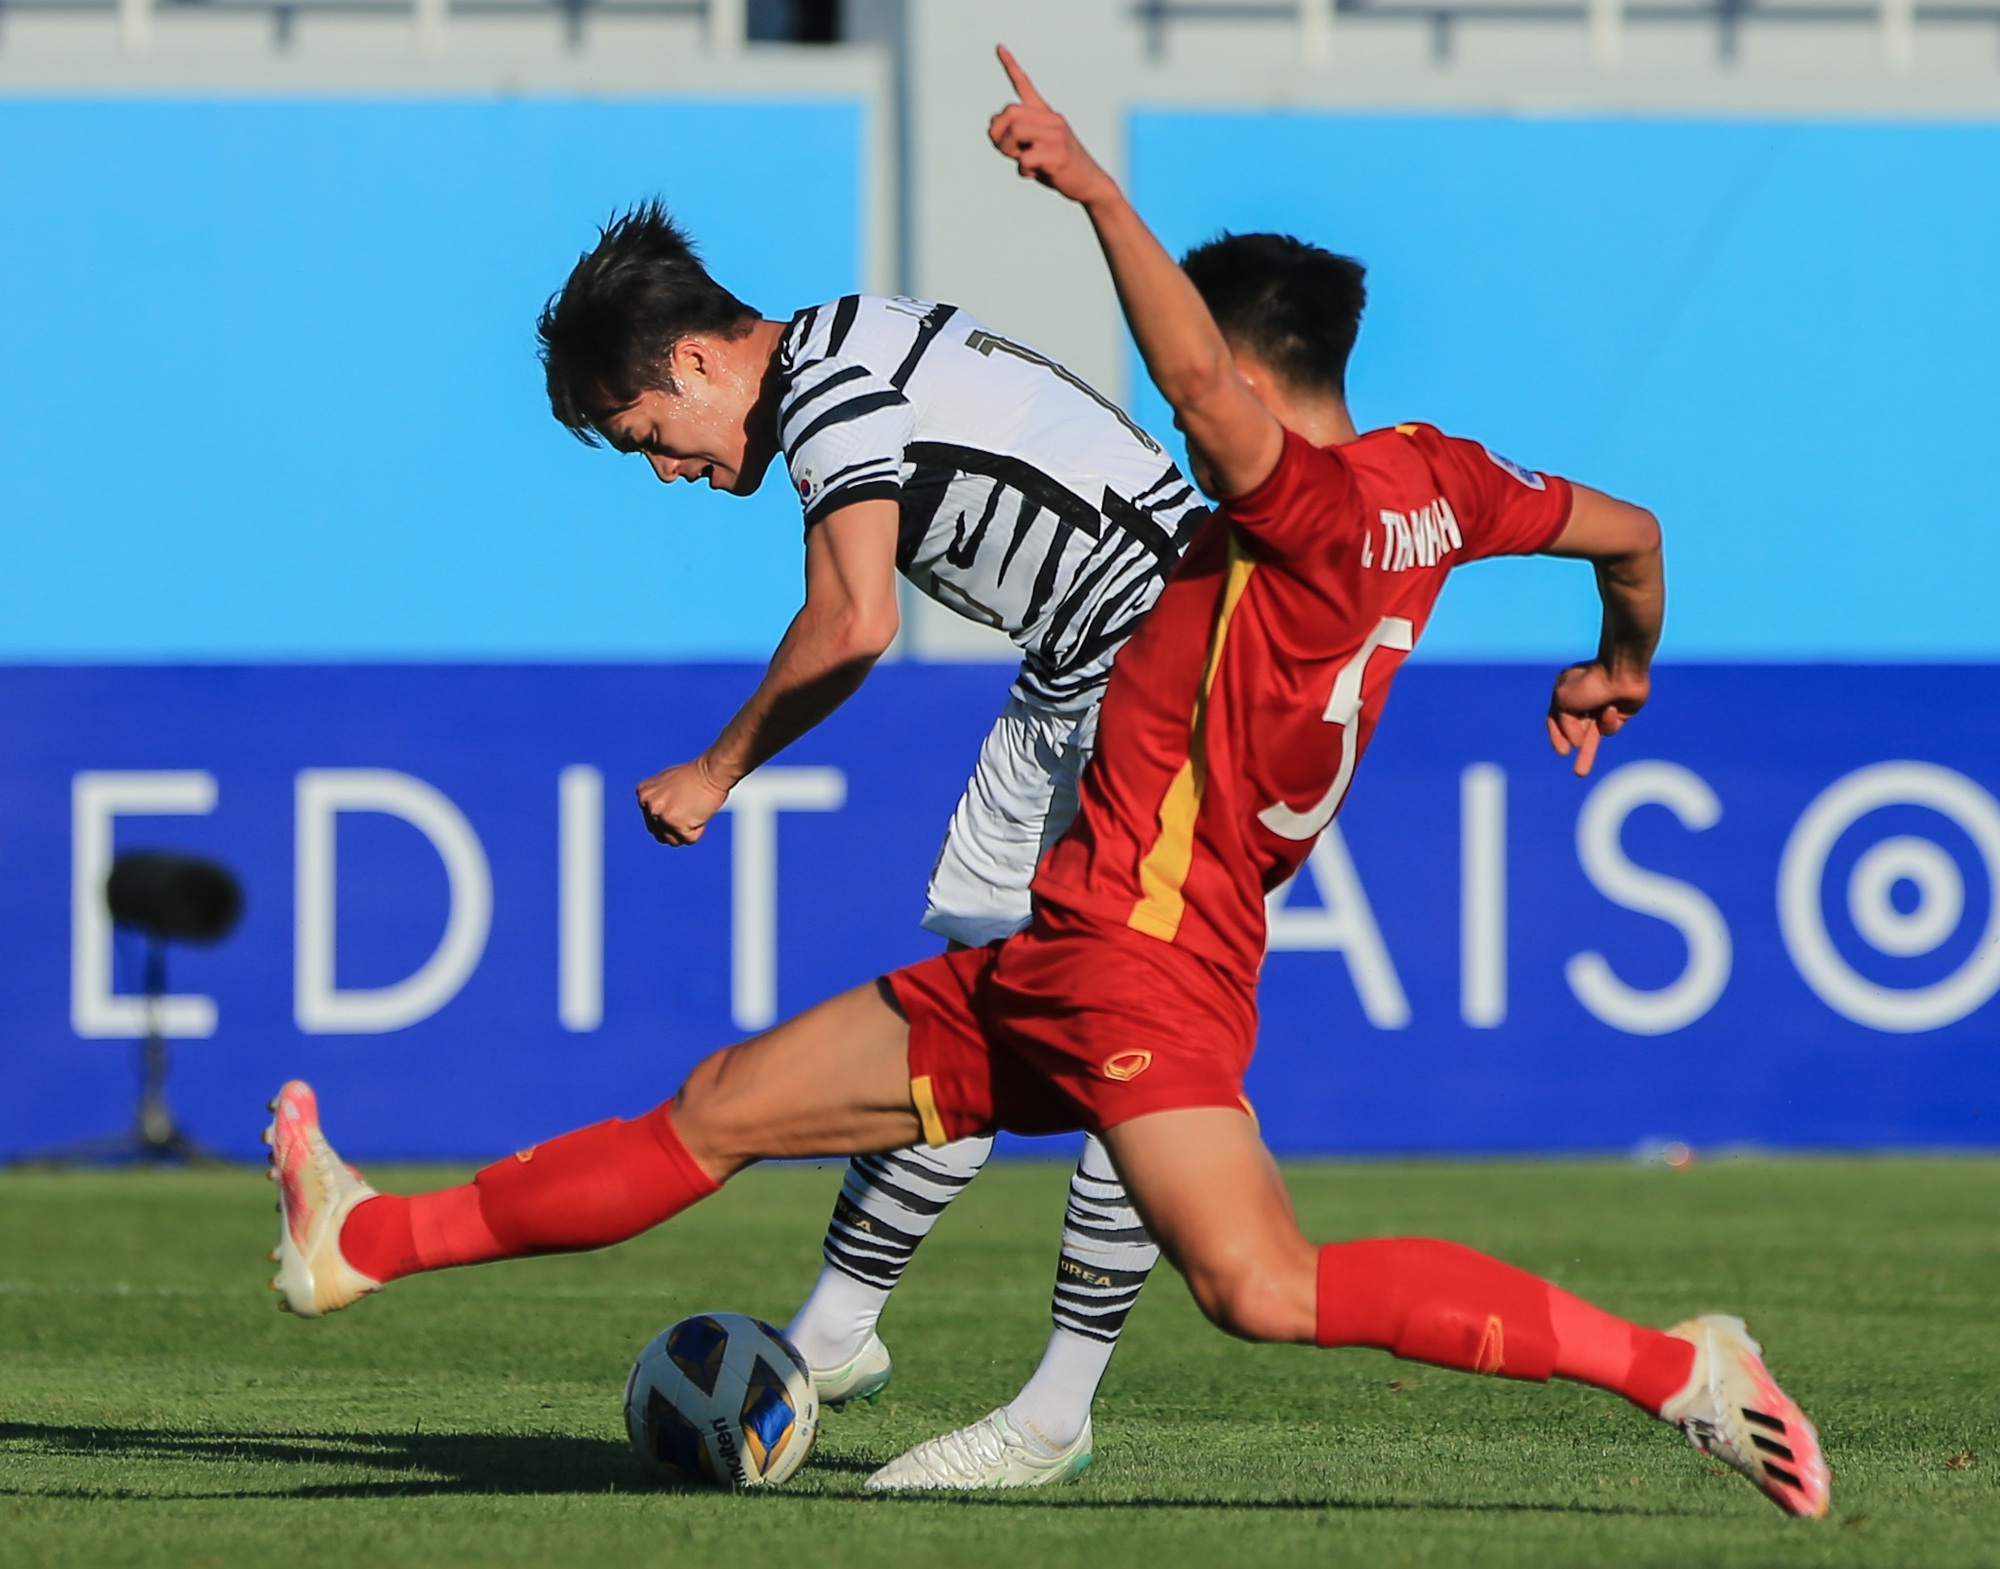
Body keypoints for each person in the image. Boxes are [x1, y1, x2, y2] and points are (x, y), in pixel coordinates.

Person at [259, 48, 1829, 1516]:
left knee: (1263, 1286)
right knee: (726, 1103)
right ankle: (363, 1243)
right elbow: (1633, 533)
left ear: (1241, 377)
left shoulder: (1297, 509)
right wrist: (1622, 663)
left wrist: (1094, 193)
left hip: (1144, 949)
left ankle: (1667, 1365)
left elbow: (947, 560)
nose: (1165, 422)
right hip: (1069, 943)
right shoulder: (1438, 481)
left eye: (1191, 395)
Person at [542, 203, 1210, 1485]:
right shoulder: (848, 344)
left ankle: (1053, 1418)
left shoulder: (832, 388)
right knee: (965, 1009)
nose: (666, 470)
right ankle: (831, 1339)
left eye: (647, 438)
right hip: (1079, 678)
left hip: (1168, 680)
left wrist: (714, 768)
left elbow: (853, 620)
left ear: (691, 363)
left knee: (1130, 1045)